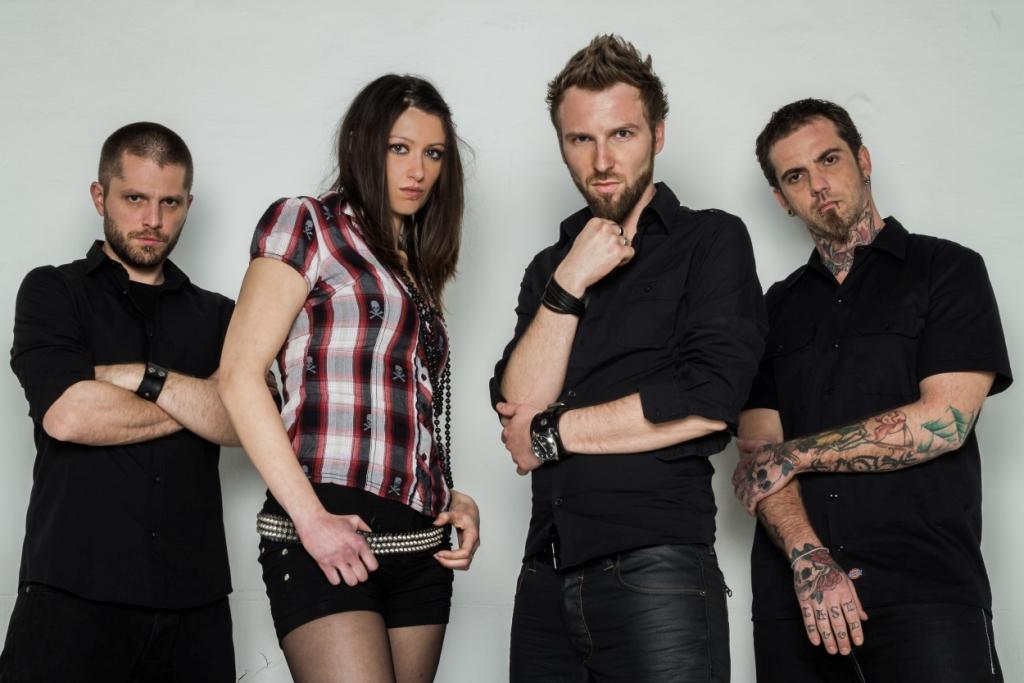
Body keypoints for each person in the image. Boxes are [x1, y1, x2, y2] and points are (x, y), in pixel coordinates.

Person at [491, 35, 766, 682]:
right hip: (544, 574)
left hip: (657, 569)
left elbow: (710, 399)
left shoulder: (710, 240)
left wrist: (554, 433)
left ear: (658, 135)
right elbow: (516, 402)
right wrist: (569, 283)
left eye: (622, 134)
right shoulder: (549, 267)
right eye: (580, 139)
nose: (602, 160)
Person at [733, 98, 1012, 682]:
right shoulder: (771, 309)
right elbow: (758, 460)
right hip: (796, 603)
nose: (818, 185)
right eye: (795, 176)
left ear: (862, 160)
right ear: (781, 200)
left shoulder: (948, 270)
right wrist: (809, 557)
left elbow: (945, 422)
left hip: (925, 594)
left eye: (829, 159)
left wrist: (796, 455)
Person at [218, 74, 480, 683]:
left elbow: (402, 404)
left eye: (433, 153)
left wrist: (446, 494)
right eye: (399, 148)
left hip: (420, 547)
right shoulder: (309, 223)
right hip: (326, 523)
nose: (417, 170)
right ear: (361, 143)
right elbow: (238, 376)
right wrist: (312, 521)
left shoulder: (415, 268)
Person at [0, 122, 240, 681]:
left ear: (187, 206)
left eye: (169, 202)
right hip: (71, 592)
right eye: (134, 198)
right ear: (99, 195)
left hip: (194, 602)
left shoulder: (221, 316)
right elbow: (69, 415)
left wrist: (140, 376)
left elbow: (248, 422)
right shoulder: (52, 291)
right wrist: (200, 401)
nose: (153, 220)